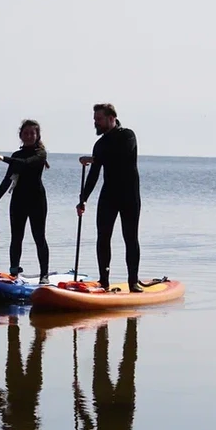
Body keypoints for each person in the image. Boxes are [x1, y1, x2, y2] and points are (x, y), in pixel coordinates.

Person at [76, 103, 142, 291]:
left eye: (99, 119)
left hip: (129, 196)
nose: (96, 123)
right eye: (95, 119)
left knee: (130, 237)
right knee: (103, 237)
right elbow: (94, 174)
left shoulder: (128, 136)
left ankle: (133, 281)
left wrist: (95, 159)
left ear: (111, 118)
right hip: (108, 196)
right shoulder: (100, 144)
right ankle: (104, 280)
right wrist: (83, 198)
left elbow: (120, 155)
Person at [0, 119, 50, 282]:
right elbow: (8, 179)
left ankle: (44, 275)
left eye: (32, 133)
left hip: (37, 201)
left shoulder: (40, 154)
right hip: (18, 201)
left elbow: (25, 164)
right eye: (26, 133)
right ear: (21, 135)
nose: (29, 136)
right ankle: (14, 272)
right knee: (16, 237)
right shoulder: (17, 155)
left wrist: (3, 158)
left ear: (37, 136)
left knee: (39, 237)